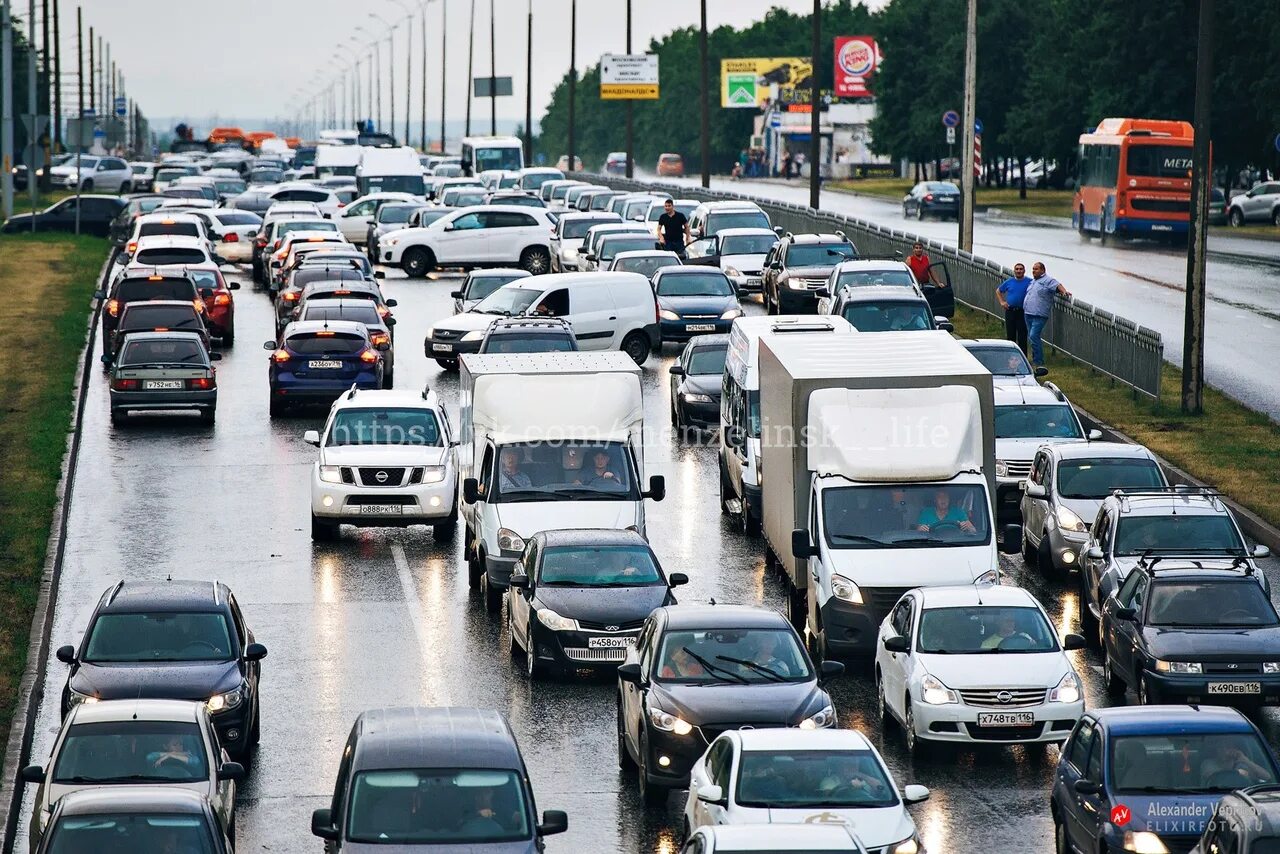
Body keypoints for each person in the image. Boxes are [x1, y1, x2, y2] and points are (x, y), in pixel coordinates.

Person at [1023, 261, 1072, 373]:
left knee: (1033, 336)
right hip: (1028, 313)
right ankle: (1035, 359)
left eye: (1036, 269)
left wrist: (1064, 292)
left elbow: (1058, 285)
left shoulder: (1048, 280)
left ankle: (1039, 361)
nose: (1033, 271)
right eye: (1033, 269)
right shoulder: (1034, 281)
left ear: (1042, 270)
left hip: (1039, 314)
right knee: (1031, 338)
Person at [1201, 740, 1273, 786]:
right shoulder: (1208, 763)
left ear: (1234, 750)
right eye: (1221, 748)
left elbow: (1267, 777)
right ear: (1216, 750)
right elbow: (1215, 776)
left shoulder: (1241, 765)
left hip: (1243, 796)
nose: (1224, 751)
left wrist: (1246, 760)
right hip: (1214, 794)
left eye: (1228, 748)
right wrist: (1238, 773)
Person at [996, 263, 1032, 354]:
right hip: (1010, 311)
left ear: (1024, 271)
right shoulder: (1009, 281)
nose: (1019, 271)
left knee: (1022, 335)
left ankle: (1023, 356)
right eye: (1017, 269)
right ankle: (1010, 355)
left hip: (1022, 312)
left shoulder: (1029, 282)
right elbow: (998, 291)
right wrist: (1002, 302)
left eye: (1021, 269)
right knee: (1011, 334)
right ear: (1014, 271)